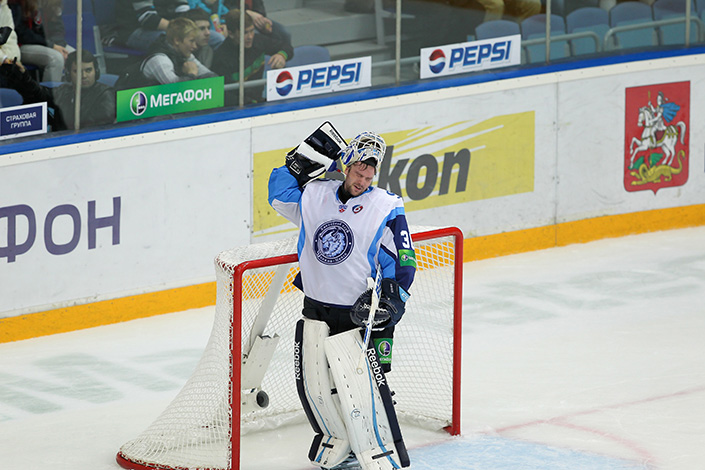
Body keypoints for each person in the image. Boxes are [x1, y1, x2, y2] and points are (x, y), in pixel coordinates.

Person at [268, 122, 416, 470]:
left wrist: (395, 299)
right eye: (358, 172)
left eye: (369, 175)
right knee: (316, 385)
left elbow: (403, 258)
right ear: (346, 167)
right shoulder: (314, 195)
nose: (362, 180)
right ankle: (338, 439)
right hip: (315, 307)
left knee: (359, 386)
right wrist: (301, 159)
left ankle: (376, 444)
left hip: (356, 312)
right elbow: (278, 194)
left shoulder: (385, 206)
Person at [0, 49, 115, 130]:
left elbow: (95, 128)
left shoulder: (105, 95)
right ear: (68, 74)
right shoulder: (63, 91)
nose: (84, 76)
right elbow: (38, 94)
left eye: (88, 70)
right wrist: (24, 77)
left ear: (96, 72)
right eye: (77, 71)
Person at [211, 8, 292, 105]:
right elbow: (223, 95)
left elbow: (286, 47)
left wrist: (281, 55)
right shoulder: (221, 58)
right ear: (231, 34)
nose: (250, 37)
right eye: (245, 33)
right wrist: (250, 103)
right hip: (237, 107)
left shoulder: (258, 41)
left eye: (252, 31)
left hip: (258, 101)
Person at [116, 17, 215, 89]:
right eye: (191, 41)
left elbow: (212, 78)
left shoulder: (186, 55)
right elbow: (175, 88)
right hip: (131, 107)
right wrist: (191, 74)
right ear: (177, 41)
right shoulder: (159, 59)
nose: (195, 46)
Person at [8, 0, 66, 82]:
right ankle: (49, 90)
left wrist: (59, 46)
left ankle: (70, 89)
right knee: (56, 59)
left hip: (49, 44)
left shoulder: (52, 3)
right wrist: (51, 45)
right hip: (22, 45)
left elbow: (57, 29)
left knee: (76, 56)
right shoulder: (17, 3)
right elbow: (22, 33)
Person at [114, 0, 190, 52]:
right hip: (133, 30)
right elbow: (147, 18)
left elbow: (183, 9)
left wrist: (189, 28)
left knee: (194, 37)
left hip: (167, 27)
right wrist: (179, 29)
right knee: (175, 41)